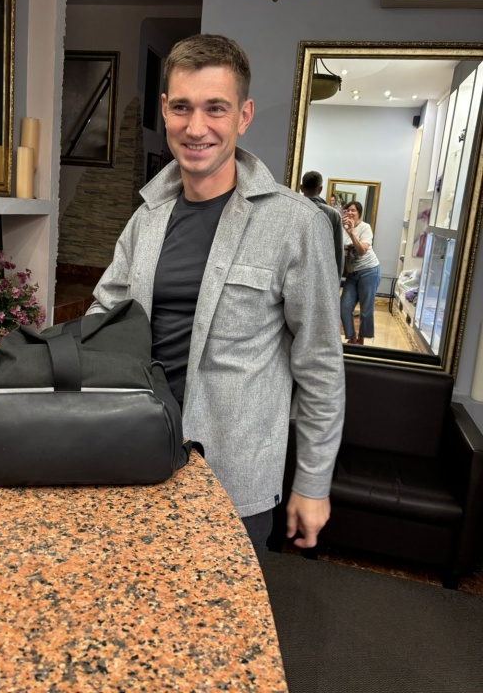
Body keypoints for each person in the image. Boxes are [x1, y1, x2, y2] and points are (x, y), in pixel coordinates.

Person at [87, 34, 345, 564]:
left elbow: (319, 362)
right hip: (134, 454)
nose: (196, 126)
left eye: (216, 108)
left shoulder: (296, 225)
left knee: (219, 616)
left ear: (243, 115)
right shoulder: (146, 218)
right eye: (182, 107)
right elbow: (101, 317)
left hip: (233, 476)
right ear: (165, 110)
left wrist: (313, 482)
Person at [340, 201, 381, 345]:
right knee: (344, 307)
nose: (350, 213)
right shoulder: (341, 228)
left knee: (366, 309)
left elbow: (362, 250)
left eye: (353, 210)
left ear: (359, 213)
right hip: (352, 274)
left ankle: (361, 340)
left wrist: (351, 233)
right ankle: (351, 337)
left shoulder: (365, 227)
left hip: (369, 271)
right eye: (347, 210)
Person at [300, 171, 344, 281]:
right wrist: (336, 281)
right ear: (320, 189)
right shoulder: (333, 214)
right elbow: (338, 251)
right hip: (321, 273)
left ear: (301, 188)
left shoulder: (293, 209)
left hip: (295, 270)